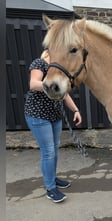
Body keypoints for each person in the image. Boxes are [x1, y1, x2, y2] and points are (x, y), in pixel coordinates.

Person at [24, 49, 82, 203]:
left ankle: (53, 178)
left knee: (54, 149)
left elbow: (65, 94)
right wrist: (51, 83)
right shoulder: (40, 63)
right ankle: (50, 188)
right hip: (37, 115)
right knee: (48, 152)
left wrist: (75, 110)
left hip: (54, 116)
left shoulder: (58, 70)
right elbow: (33, 84)